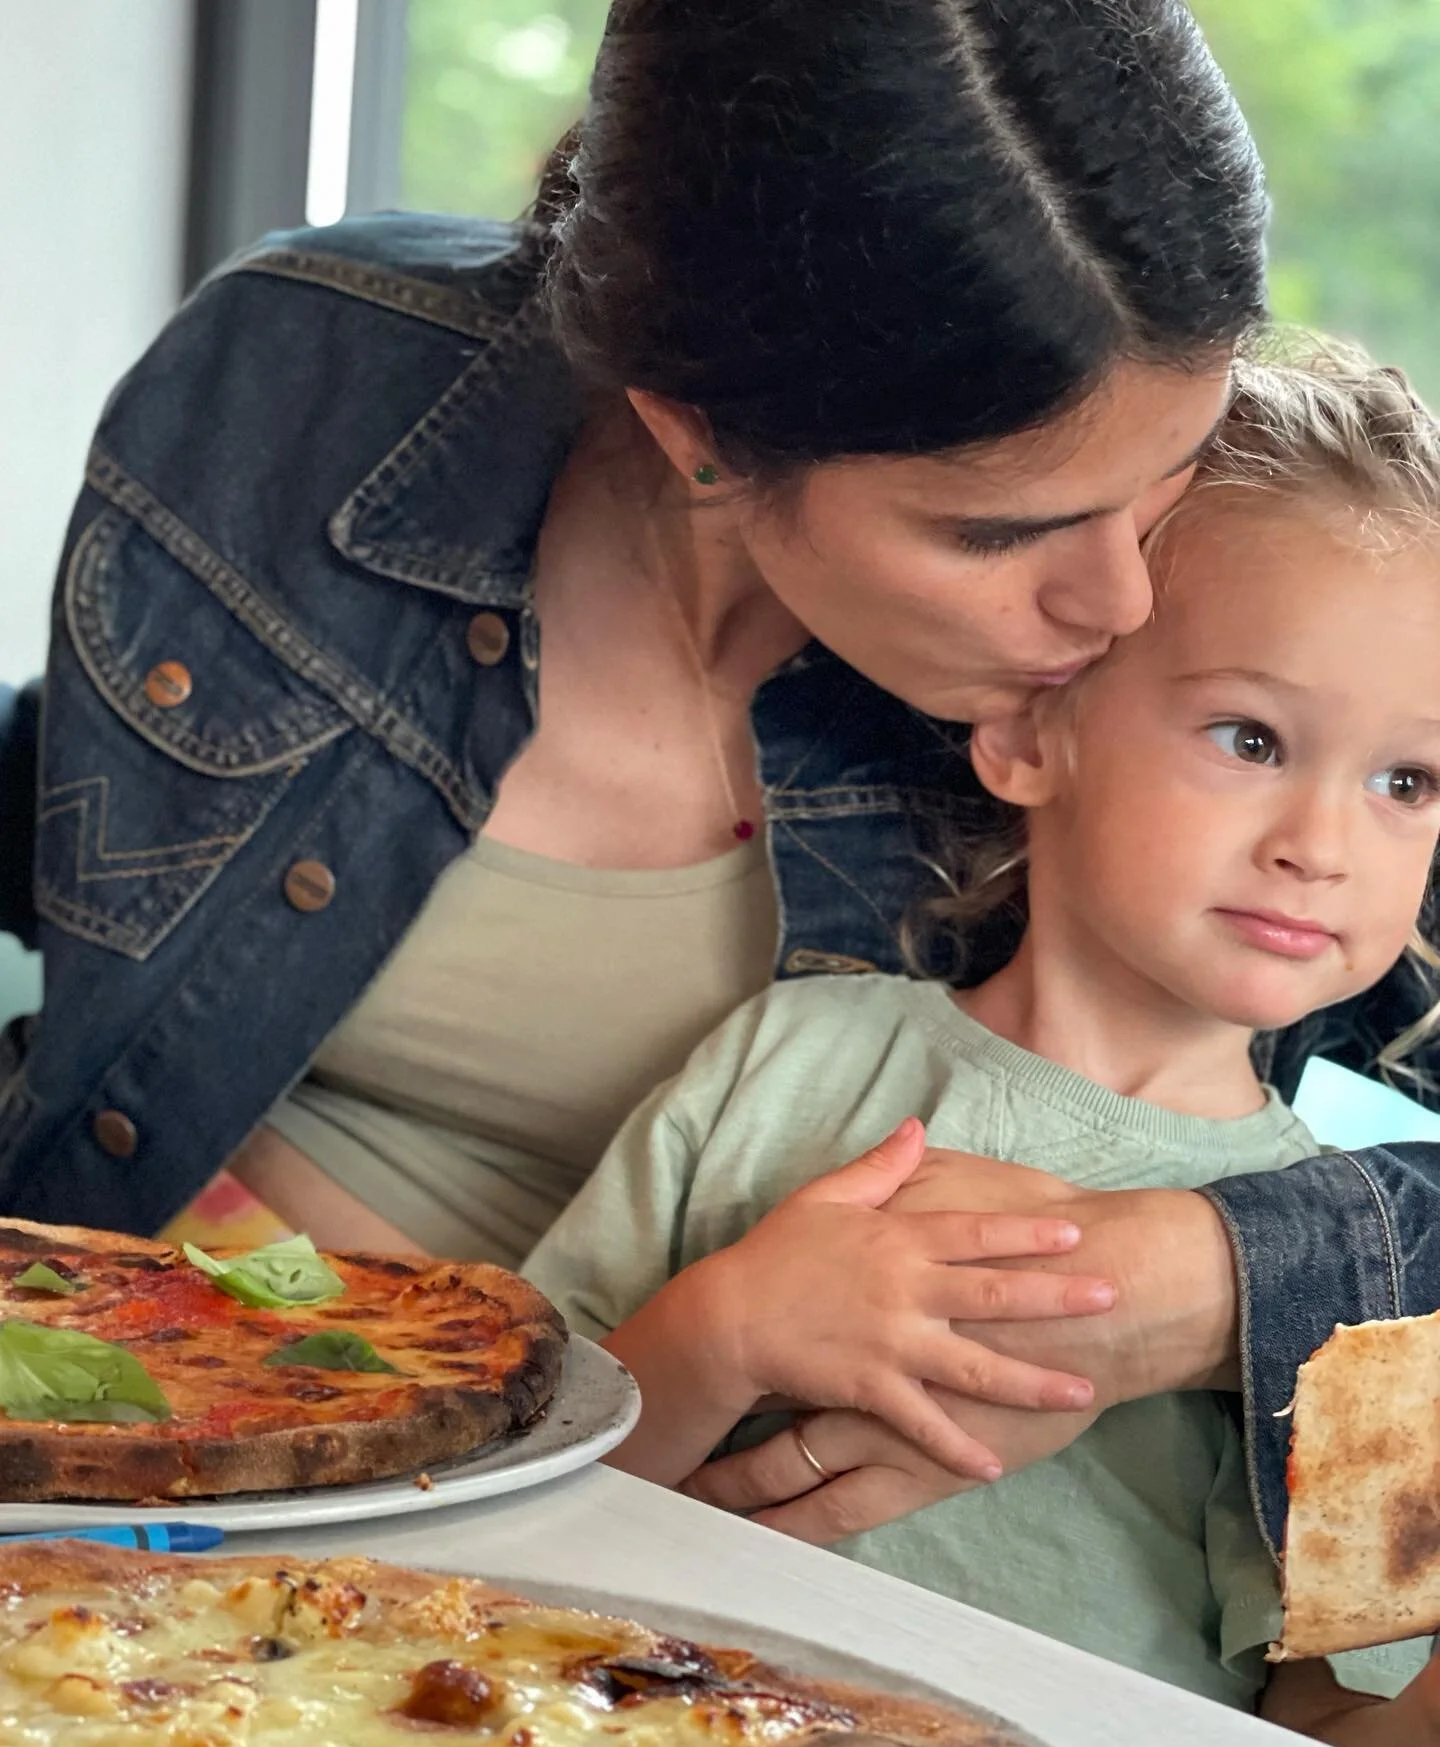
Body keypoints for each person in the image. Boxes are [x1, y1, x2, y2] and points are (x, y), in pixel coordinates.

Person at [0, 0, 1428, 1555]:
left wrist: (1207, 1280)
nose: (1124, 605)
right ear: (698, 435)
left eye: (1162, 487)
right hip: (148, 1423)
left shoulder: (1212, 628)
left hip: (670, 1545)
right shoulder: (296, 386)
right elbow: (97, 812)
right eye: (999, 533)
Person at [523, 350, 1440, 1747]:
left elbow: (1329, 1733)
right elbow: (506, 1482)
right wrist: (723, 1334)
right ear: (1028, 726)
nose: (1321, 843)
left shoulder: (1367, 1290)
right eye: (1251, 737)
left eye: (1407, 782)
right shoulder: (791, 1059)